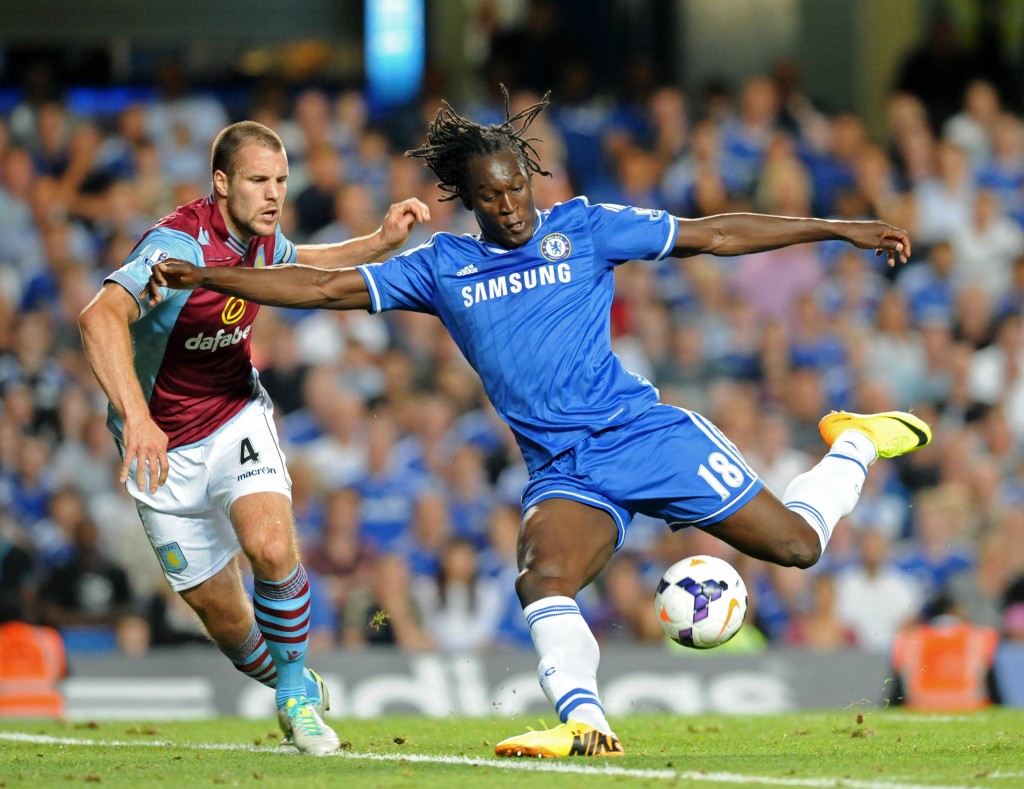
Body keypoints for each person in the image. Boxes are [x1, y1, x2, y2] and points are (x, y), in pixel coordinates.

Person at [146, 91, 932, 758]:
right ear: (467, 198)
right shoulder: (441, 267)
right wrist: (207, 274)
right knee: (541, 577)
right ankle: (582, 719)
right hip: (564, 468)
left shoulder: (584, 227)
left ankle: (856, 439)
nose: (512, 205)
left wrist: (839, 228)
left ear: (530, 176)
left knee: (799, 545)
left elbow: (714, 232)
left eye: (518, 186)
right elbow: (320, 290)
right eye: (492, 196)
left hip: (645, 437)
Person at [78, 120, 429, 755]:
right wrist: (137, 417)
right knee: (232, 626)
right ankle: (292, 677)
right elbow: (98, 316)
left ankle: (295, 702)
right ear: (221, 183)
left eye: (281, 181)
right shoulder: (174, 248)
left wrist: (379, 242)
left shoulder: (262, 240)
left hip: (235, 414)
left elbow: (305, 266)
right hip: (161, 446)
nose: (274, 195)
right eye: (258, 181)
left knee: (270, 547)